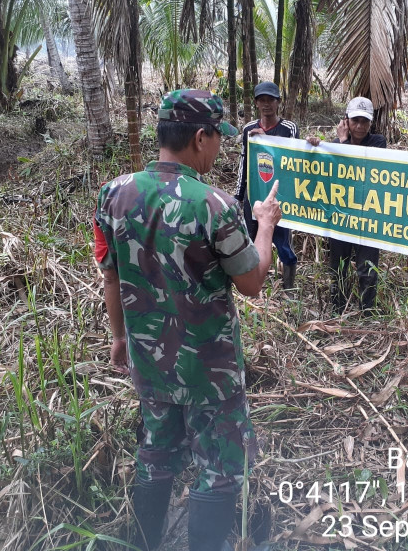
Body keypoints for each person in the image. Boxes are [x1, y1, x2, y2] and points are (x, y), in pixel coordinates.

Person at [94, 89, 281, 551]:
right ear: (200, 137)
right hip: (210, 371)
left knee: (156, 454)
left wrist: (119, 338)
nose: (220, 147)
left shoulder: (113, 194)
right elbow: (252, 282)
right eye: (219, 137)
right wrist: (266, 226)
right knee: (220, 469)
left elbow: (112, 278)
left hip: (150, 361)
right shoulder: (214, 205)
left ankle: (142, 543)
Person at [307, 96, 387, 313]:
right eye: (355, 121)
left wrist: (342, 144)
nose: (360, 126)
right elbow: (328, 174)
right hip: (341, 216)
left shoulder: (378, 142)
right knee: (338, 267)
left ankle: (367, 312)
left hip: (368, 217)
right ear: (346, 121)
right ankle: (337, 309)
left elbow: (360, 170)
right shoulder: (334, 146)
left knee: (367, 268)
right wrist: (315, 147)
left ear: (371, 123)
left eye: (364, 121)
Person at [235, 81, 299, 290]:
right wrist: (238, 196)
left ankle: (289, 289)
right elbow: (244, 163)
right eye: (262, 100)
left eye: (270, 100)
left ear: (278, 102)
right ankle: (254, 286)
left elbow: (293, 160)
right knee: (250, 240)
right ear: (256, 103)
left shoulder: (289, 129)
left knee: (283, 244)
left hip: (280, 197)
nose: (266, 104)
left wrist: (267, 140)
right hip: (255, 195)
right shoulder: (248, 129)